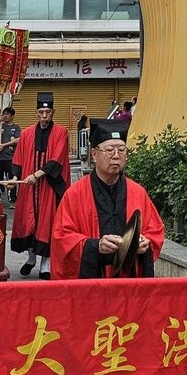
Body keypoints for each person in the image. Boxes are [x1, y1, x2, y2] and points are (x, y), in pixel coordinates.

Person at [52, 119, 164, 279]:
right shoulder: (75, 194)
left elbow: (155, 231)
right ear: (94, 155)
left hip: (129, 282)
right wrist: (95, 245)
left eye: (122, 150)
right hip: (93, 284)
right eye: (110, 150)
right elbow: (62, 238)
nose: (116, 156)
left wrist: (145, 243)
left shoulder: (137, 192)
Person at [10, 92, 71, 279]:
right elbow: (18, 159)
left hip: (49, 186)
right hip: (29, 187)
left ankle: (46, 264)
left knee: (47, 224)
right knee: (27, 222)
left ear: (53, 112)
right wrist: (14, 178)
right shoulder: (27, 133)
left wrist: (37, 175)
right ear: (36, 113)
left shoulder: (61, 132)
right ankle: (31, 259)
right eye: (41, 112)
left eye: (48, 112)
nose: (44, 116)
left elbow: (57, 158)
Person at [0, 107, 22, 204]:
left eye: (7, 114)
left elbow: (18, 140)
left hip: (10, 157)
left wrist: (4, 145)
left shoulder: (16, 127)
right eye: (4, 114)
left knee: (12, 179)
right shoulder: (0, 126)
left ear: (12, 116)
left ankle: (12, 199)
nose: (5, 116)